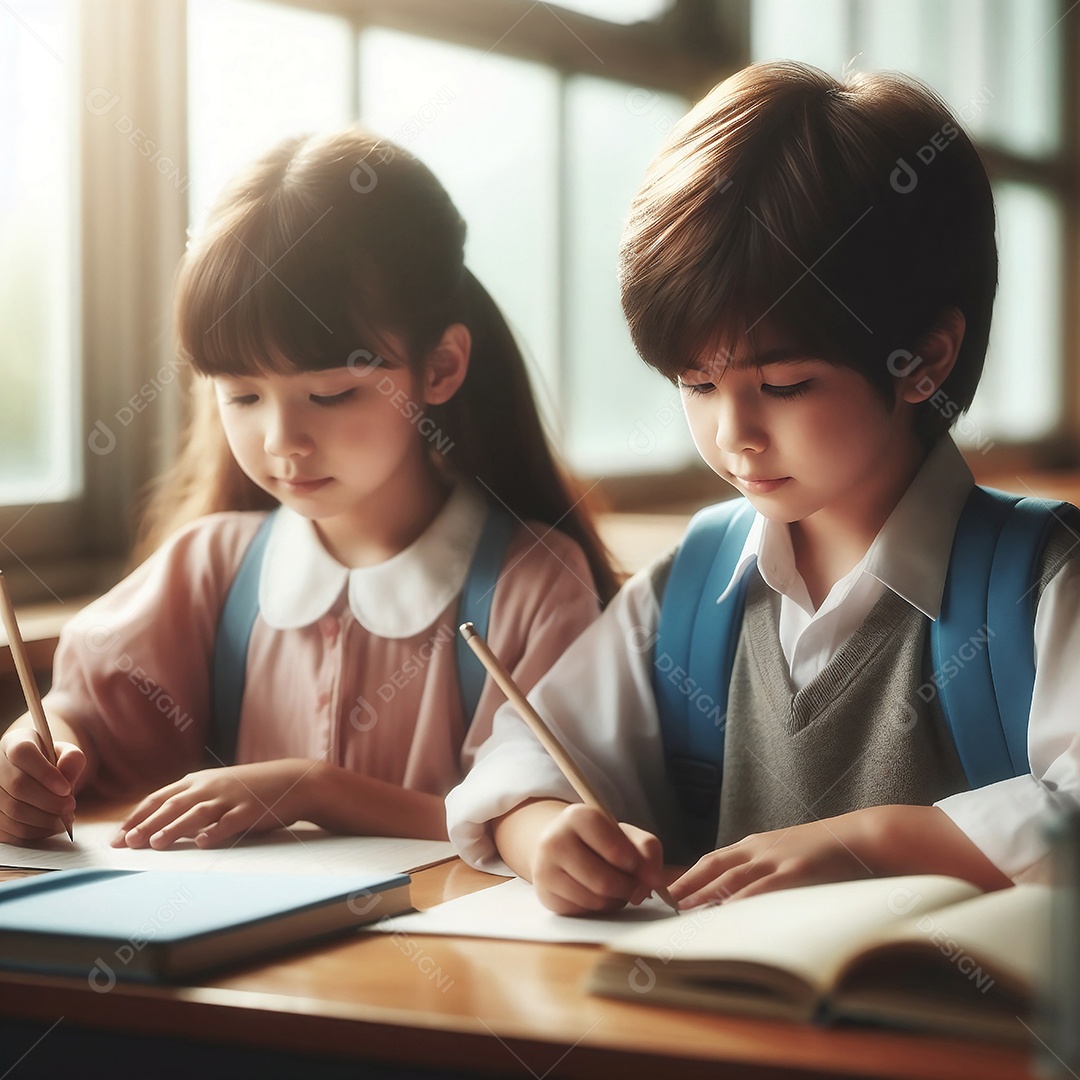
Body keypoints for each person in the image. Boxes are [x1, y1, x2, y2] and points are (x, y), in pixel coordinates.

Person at [445, 60, 1080, 915]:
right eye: (697, 385)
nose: (732, 433)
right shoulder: (699, 585)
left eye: (781, 386)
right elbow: (526, 753)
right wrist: (543, 832)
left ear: (925, 358)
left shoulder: (1040, 582)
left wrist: (867, 843)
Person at [0, 128, 617, 848]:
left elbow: (539, 822)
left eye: (330, 395)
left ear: (441, 368)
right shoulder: (213, 567)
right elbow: (88, 719)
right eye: (242, 397)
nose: (280, 442)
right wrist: (31, 756)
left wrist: (313, 789)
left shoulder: (533, 585)